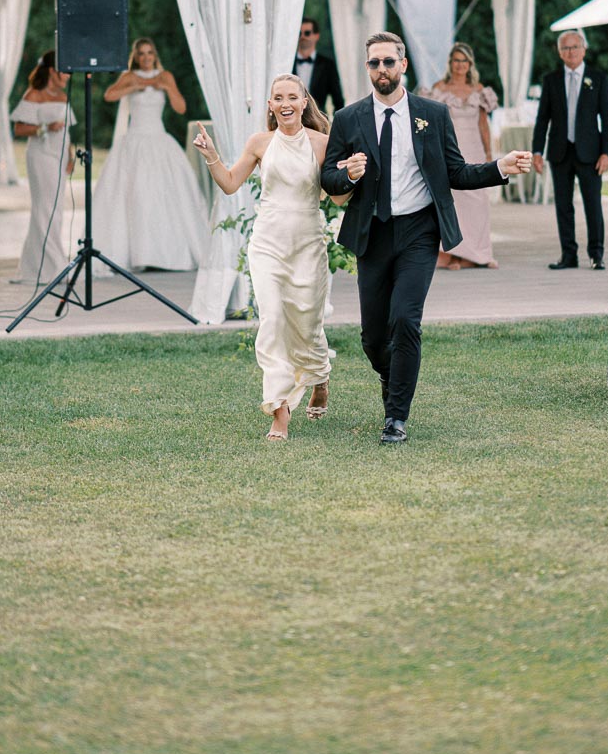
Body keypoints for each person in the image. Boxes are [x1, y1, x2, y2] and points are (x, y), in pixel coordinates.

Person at [321, 32, 531, 445]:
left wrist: (499, 167)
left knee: (405, 320)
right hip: (373, 234)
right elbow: (327, 176)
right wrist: (348, 173)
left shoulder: (432, 114)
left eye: (388, 62)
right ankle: (393, 374)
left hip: (419, 232)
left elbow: (456, 172)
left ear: (403, 66)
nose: (382, 69)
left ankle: (396, 418)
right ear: (368, 69)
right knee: (372, 336)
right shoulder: (348, 118)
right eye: (374, 63)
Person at [193, 75, 363, 442]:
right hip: (267, 244)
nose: (285, 103)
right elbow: (229, 182)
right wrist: (212, 157)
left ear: (304, 102)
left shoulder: (322, 143)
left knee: (307, 323)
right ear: (270, 106)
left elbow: (336, 200)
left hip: (307, 244)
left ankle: (320, 376)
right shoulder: (259, 143)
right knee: (271, 323)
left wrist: (350, 176)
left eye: (292, 97)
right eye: (277, 98)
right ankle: (280, 410)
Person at [91, 37, 208, 272]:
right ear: (136, 57)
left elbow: (181, 108)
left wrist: (165, 87)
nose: (146, 58)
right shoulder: (130, 76)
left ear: (155, 55)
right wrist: (134, 87)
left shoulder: (165, 77)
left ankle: (166, 253)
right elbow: (109, 96)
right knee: (137, 193)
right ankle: (139, 253)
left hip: (158, 139)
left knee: (165, 193)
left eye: (150, 53)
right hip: (134, 141)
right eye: (141, 54)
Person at [532, 29, 608, 271]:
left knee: (592, 204)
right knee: (563, 206)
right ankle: (568, 255)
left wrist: (606, 152)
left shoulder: (598, 79)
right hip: (559, 151)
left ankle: (596, 254)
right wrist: (537, 151)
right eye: (565, 48)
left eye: (575, 47)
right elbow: (542, 119)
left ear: (584, 49)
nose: (571, 52)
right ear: (559, 52)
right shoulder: (551, 79)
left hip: (590, 153)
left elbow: (607, 119)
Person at [426, 42, 500, 269]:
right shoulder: (439, 89)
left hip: (475, 148)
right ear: (451, 64)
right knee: (455, 201)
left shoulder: (479, 90)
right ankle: (456, 254)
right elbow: (433, 123)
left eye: (464, 61)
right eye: (456, 60)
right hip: (450, 149)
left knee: (479, 202)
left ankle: (481, 253)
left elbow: (483, 124)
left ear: (470, 64)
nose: (460, 65)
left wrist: (489, 153)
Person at [10, 50, 76, 284]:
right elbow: (19, 128)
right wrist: (45, 127)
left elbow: (67, 129)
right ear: (52, 71)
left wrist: (69, 156)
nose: (68, 76)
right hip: (41, 156)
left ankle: (37, 265)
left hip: (59, 156)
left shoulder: (62, 97)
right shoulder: (34, 95)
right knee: (45, 209)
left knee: (56, 210)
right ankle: (55, 266)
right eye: (65, 71)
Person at [293, 16, 344, 112]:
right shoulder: (288, 63)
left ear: (316, 36)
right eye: (300, 33)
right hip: (289, 120)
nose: (303, 37)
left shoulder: (328, 65)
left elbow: (338, 99)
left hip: (318, 121)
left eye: (307, 33)